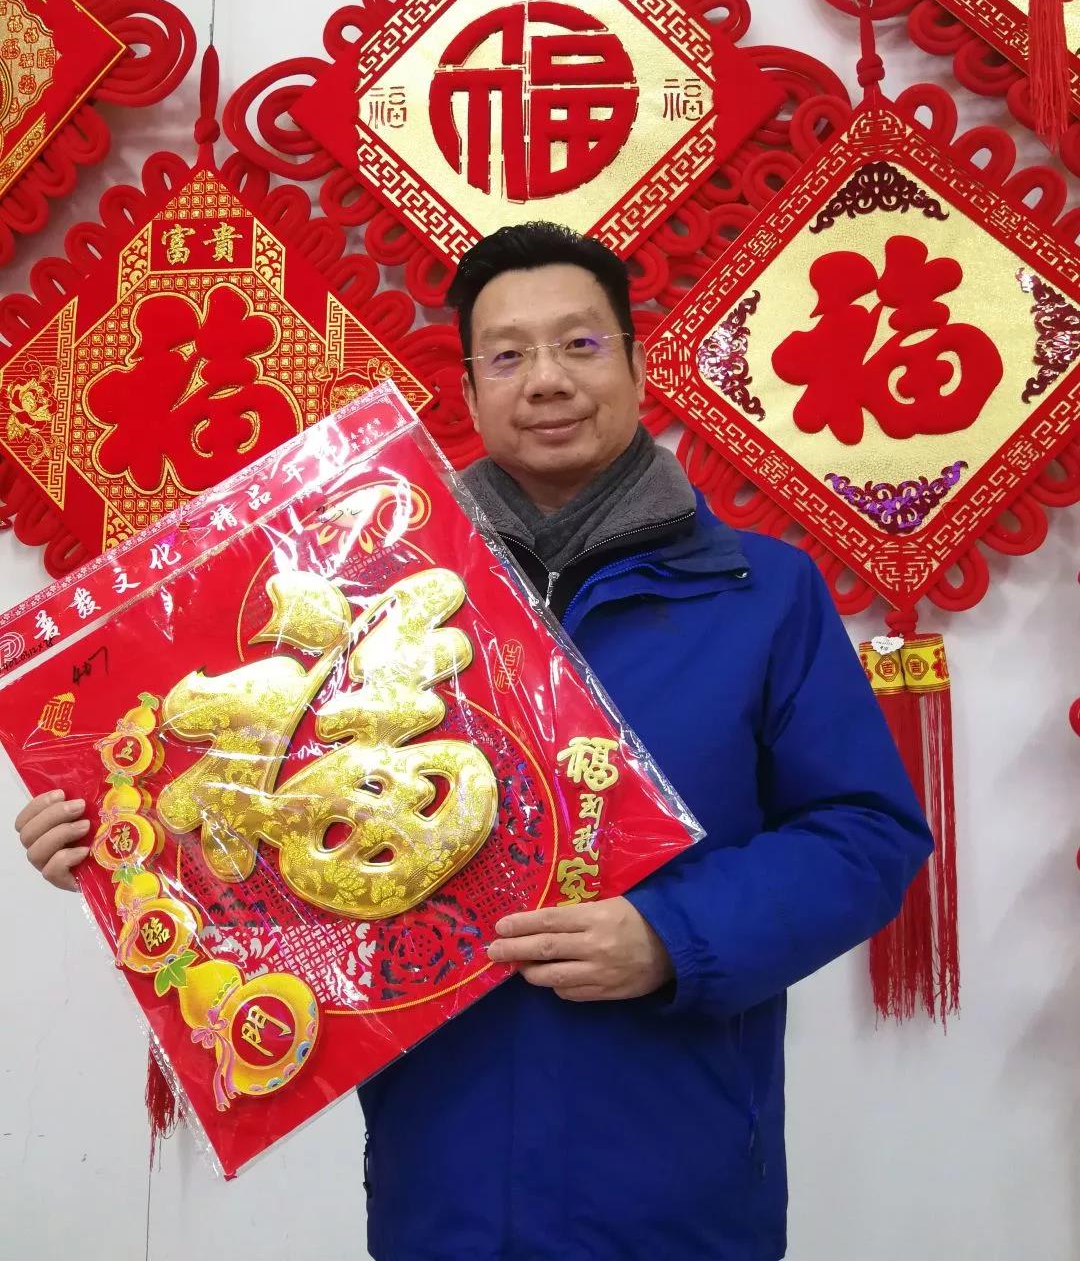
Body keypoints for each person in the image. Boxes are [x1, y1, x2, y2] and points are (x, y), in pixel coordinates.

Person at [16, 221, 934, 1261]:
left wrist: (673, 936)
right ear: (469, 387)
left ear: (637, 365)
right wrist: (121, 842)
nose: (546, 380)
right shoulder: (368, 598)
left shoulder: (759, 592)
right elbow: (273, 829)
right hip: (441, 1175)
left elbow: (866, 836)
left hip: (679, 1173)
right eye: (507, 354)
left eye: (580, 344)